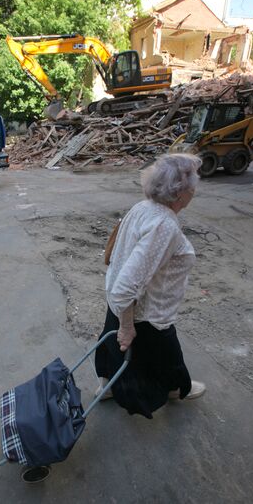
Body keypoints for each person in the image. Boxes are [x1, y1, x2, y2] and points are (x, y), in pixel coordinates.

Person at [94, 153, 206, 419]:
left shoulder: (143, 206)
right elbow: (126, 288)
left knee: (112, 347)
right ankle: (175, 388)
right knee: (165, 355)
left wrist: (121, 320)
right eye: (193, 187)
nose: (195, 192)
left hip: (119, 302)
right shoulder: (163, 225)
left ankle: (106, 385)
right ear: (181, 193)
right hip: (147, 312)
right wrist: (127, 325)